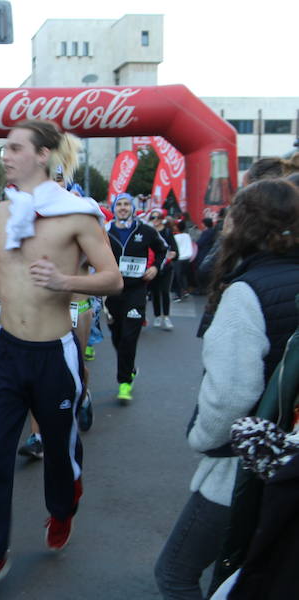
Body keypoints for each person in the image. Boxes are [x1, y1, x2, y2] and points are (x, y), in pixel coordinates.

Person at [0, 120, 122, 599]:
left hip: (55, 354)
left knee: (59, 453)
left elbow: (112, 279)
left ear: (44, 154)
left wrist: (66, 282)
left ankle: (65, 502)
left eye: (14, 148)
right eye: (5, 148)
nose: (5, 155)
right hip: (6, 351)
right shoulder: (5, 214)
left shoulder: (77, 215)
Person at [154, 178, 299, 600]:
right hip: (290, 456)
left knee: (176, 572)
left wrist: (202, 439)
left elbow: (231, 395)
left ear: (246, 225)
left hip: (245, 466)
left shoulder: (245, 291)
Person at [104, 193, 168, 403]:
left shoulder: (145, 230)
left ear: (132, 207)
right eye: (119, 204)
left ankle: (124, 383)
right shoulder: (104, 231)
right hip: (112, 291)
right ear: (114, 208)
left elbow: (163, 250)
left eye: (126, 204)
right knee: (117, 336)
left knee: (130, 336)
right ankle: (129, 368)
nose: (123, 208)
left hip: (136, 290)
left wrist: (155, 268)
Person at [147, 209, 178, 331]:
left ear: (161, 219)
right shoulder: (149, 232)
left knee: (165, 291)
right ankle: (157, 316)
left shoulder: (167, 232)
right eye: (152, 218)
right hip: (152, 266)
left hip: (166, 267)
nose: (155, 220)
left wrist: (170, 255)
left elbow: (174, 250)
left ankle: (166, 316)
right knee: (155, 292)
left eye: (157, 218)